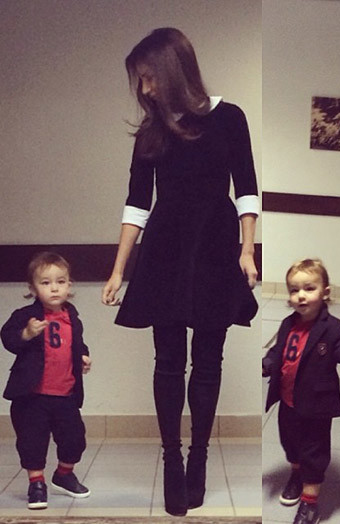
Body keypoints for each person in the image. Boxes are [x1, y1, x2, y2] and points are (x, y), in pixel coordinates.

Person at [101, 27, 259, 516]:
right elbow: (136, 203)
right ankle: (172, 459)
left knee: (209, 360)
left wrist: (247, 251)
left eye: (148, 77)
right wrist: (118, 270)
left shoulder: (230, 118)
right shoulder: (151, 131)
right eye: (140, 80)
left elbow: (247, 189)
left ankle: (199, 459)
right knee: (168, 360)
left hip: (215, 243)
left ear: (172, 70)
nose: (144, 88)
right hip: (165, 248)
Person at [263, 259, 340, 524]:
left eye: (309, 288)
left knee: (314, 452)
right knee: (290, 443)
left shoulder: (333, 328)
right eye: (294, 290)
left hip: (317, 405)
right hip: (288, 401)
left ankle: (309, 503)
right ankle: (297, 474)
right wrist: (267, 363)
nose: (301, 295)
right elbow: (278, 351)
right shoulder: (287, 323)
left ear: (325, 292)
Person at [1, 252, 91, 510]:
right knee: (32, 441)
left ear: (69, 286)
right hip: (32, 396)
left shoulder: (72, 317)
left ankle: (64, 474)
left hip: (65, 395)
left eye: (60, 282)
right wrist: (26, 334)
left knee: (75, 438)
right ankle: (36, 483)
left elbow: (76, 343)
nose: (54, 288)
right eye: (46, 283)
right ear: (33, 288)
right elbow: (8, 338)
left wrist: (83, 356)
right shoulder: (25, 315)